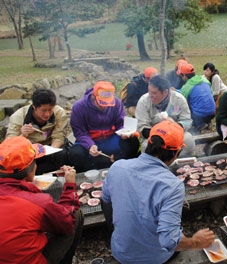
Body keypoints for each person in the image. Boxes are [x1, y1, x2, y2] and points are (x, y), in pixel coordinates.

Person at [101, 120, 215, 264]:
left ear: (148, 143)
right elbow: (170, 242)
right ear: (176, 154)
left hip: (120, 252)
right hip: (153, 259)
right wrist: (195, 242)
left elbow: (105, 199)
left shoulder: (118, 167)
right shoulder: (172, 186)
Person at [0, 136, 83, 264]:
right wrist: (70, 185)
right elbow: (66, 222)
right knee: (75, 215)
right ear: (31, 169)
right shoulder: (37, 203)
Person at [68, 82, 138, 172]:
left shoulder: (116, 103)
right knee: (76, 153)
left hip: (111, 137)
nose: (104, 107)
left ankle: (124, 168)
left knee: (133, 142)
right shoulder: (79, 106)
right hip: (89, 139)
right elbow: (79, 132)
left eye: (108, 103)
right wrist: (90, 145)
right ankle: (87, 174)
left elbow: (120, 123)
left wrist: (123, 133)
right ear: (93, 97)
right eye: (101, 103)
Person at [6, 88, 71, 174]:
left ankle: (57, 176)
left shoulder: (59, 113)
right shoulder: (18, 117)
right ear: (34, 107)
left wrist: (50, 151)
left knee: (62, 154)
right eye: (43, 110)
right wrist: (23, 135)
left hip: (50, 147)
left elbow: (58, 136)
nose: (47, 114)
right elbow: (10, 144)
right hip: (29, 150)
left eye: (50, 109)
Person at [135, 75, 194, 156]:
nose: (150, 95)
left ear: (165, 92)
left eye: (154, 93)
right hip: (153, 137)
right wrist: (160, 136)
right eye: (149, 91)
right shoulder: (143, 101)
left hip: (174, 134)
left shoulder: (179, 99)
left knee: (189, 140)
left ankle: (176, 163)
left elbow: (187, 121)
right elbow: (141, 126)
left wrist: (175, 128)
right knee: (146, 147)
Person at [177, 62, 216, 132]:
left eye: (181, 76)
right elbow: (211, 93)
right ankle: (207, 122)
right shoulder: (204, 80)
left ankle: (199, 125)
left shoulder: (187, 86)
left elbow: (181, 101)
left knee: (186, 105)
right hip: (212, 112)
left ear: (184, 76)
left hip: (199, 116)